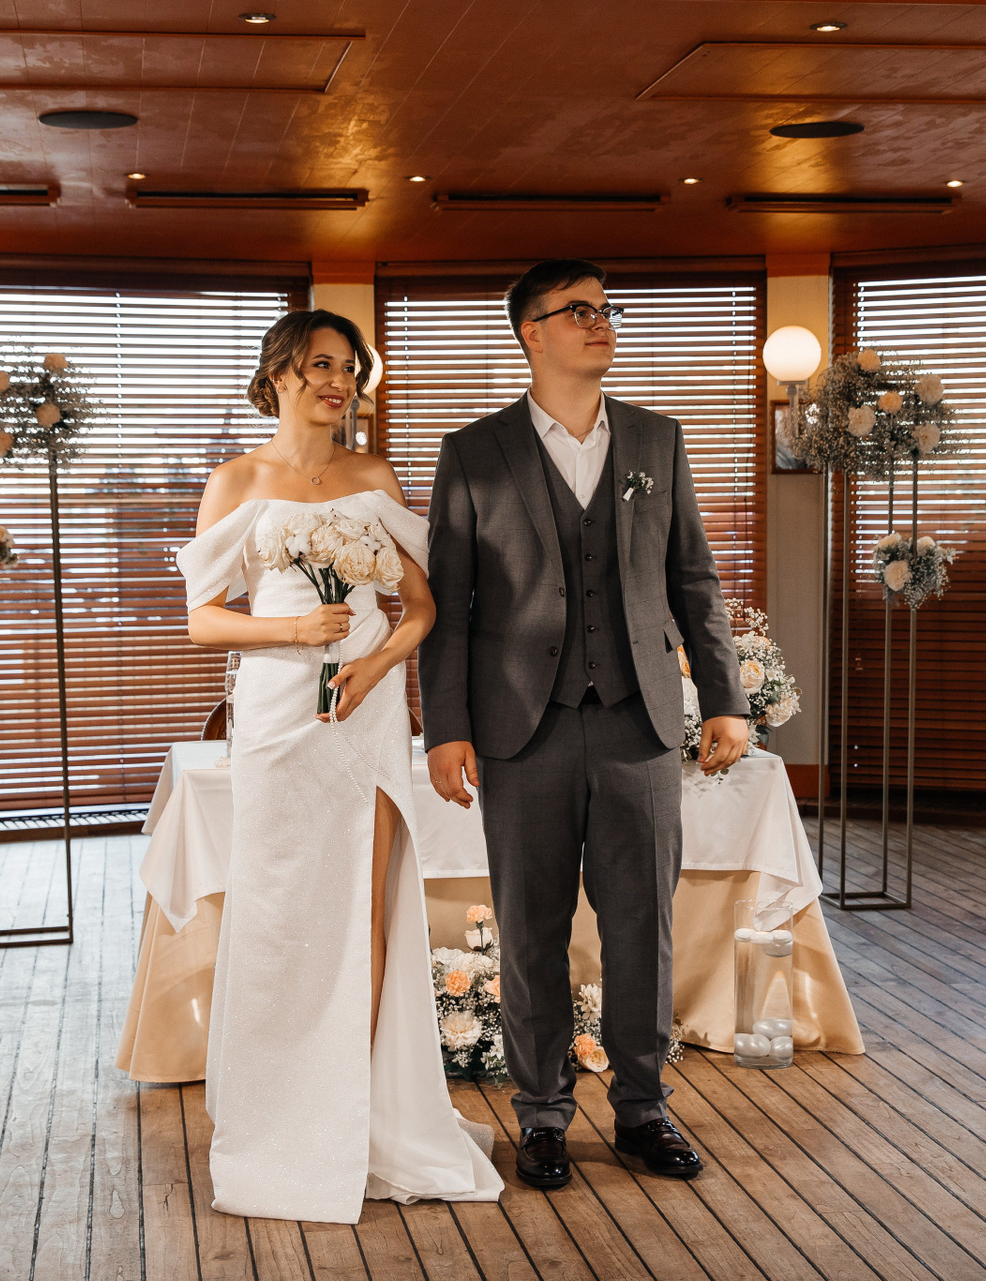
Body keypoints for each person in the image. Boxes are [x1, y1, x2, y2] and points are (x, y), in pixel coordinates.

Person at [419, 260, 750, 1189]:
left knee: (643, 925)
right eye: (578, 311)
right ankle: (542, 1116)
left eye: (606, 310)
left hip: (639, 721)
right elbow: (449, 603)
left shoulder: (657, 439)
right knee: (530, 929)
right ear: (531, 332)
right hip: (521, 729)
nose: (601, 323)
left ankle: (643, 1110)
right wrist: (444, 726)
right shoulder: (473, 452)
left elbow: (694, 579)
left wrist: (724, 695)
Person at [177, 309, 502, 1223]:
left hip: (365, 712)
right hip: (279, 714)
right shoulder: (236, 480)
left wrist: (374, 662)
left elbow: (421, 607)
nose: (338, 382)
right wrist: (294, 628)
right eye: (321, 365)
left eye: (349, 369)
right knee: (279, 905)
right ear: (279, 372)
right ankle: (282, 1112)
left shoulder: (372, 476)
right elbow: (203, 618)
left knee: (366, 906)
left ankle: (351, 1119)